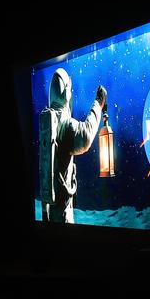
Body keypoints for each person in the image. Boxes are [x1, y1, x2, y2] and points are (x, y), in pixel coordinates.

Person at [39, 68, 107, 223]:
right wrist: (98, 103)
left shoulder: (48, 121)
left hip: (49, 207)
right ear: (66, 93)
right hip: (61, 211)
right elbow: (86, 136)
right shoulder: (65, 123)